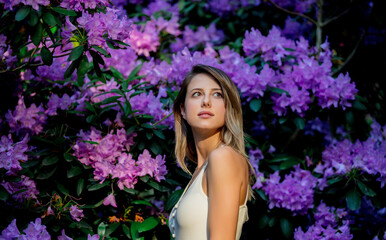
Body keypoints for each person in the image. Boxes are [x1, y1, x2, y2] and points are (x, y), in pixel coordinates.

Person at [169, 64, 254, 240]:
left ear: (228, 108)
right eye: (197, 94)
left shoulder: (223, 158)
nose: (206, 101)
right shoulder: (202, 169)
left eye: (217, 94)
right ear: (183, 110)